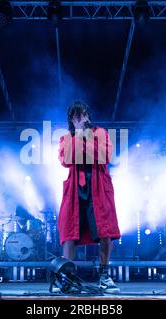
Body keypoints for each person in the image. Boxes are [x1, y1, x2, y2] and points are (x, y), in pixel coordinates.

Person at [57, 101, 121, 293]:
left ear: (88, 116)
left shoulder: (100, 133)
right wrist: (78, 136)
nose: (81, 118)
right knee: (69, 233)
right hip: (76, 190)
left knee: (105, 232)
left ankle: (104, 276)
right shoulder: (66, 138)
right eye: (76, 116)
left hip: (98, 189)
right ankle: (67, 278)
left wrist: (85, 137)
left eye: (83, 114)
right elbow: (67, 159)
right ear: (71, 119)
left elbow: (104, 155)